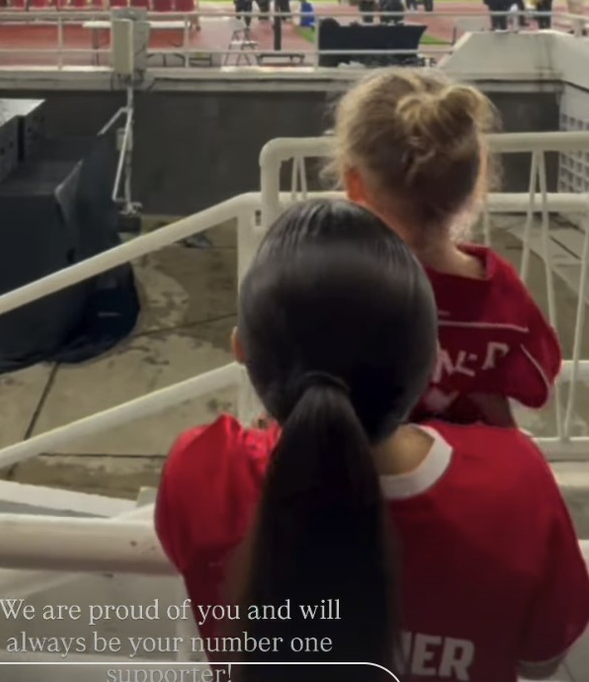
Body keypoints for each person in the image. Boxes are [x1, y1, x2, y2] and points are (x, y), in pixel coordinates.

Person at [156, 199, 589, 682]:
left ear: (242, 351)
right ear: (428, 363)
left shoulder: (201, 474)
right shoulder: (516, 487)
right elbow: (542, 660)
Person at [334, 69, 561, 426]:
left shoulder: (336, 290)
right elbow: (538, 385)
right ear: (474, 183)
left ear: (354, 183)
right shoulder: (501, 296)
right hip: (473, 476)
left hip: (364, 473)